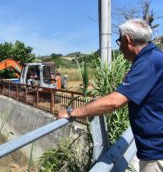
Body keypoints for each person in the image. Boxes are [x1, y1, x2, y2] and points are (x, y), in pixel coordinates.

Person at [58, 18, 163, 172]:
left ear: (127, 40)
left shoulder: (148, 62)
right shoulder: (154, 57)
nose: (119, 47)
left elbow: (114, 102)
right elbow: (127, 94)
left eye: (119, 41)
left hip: (156, 154)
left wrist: (72, 112)